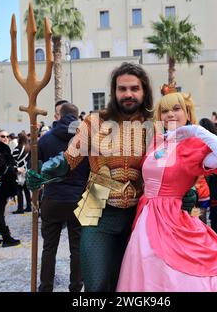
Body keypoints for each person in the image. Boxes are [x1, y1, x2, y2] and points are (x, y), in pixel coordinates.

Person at [28, 62, 154, 292]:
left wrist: (186, 189)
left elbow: (171, 166)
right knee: (96, 286)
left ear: (144, 91)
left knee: (127, 285)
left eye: (134, 88)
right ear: (114, 92)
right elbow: (69, 158)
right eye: (122, 88)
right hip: (97, 208)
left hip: (139, 214)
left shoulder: (155, 125)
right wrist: (45, 172)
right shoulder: (94, 122)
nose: (128, 94)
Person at [116, 88, 217, 292]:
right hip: (145, 215)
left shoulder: (193, 146)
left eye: (177, 109)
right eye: (165, 111)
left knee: (176, 272)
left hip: (172, 217)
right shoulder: (156, 142)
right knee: (145, 267)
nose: (170, 114)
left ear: (187, 113)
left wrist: (197, 131)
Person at [37, 103, 90, 292]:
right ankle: (76, 287)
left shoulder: (45, 139)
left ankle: (46, 287)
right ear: (76, 117)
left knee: (49, 248)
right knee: (77, 248)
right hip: (78, 198)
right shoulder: (86, 139)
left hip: (53, 197)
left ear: (59, 116)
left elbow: (37, 170)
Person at [12, 132, 32, 214]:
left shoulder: (17, 148)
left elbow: (13, 160)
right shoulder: (29, 147)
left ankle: (20, 208)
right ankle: (28, 207)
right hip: (27, 171)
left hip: (19, 172)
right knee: (27, 190)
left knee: (19, 191)